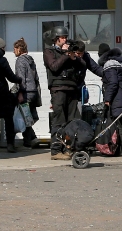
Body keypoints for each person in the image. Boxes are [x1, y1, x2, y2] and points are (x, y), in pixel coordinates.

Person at [43, 27, 104, 159]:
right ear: (56, 38)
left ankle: (68, 148)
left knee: (73, 121)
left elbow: (84, 65)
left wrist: (74, 56)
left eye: (66, 37)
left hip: (73, 90)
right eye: (62, 37)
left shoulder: (72, 53)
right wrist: (65, 55)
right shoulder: (49, 51)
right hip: (58, 89)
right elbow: (54, 67)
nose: (65, 40)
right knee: (59, 120)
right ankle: (56, 151)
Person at [13, 38, 41, 149]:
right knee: (28, 116)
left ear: (19, 49)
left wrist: (20, 93)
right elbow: (36, 78)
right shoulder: (30, 60)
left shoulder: (20, 60)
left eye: (14, 49)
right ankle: (33, 138)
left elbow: (21, 78)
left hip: (25, 92)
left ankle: (27, 143)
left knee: (25, 118)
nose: (14, 51)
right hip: (33, 92)